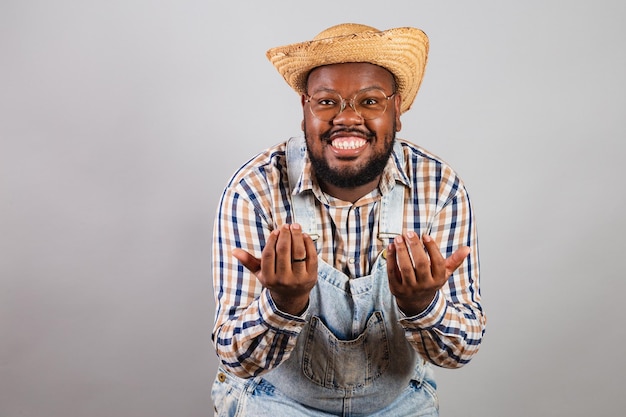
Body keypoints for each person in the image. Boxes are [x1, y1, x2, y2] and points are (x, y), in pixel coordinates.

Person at [211, 23, 486, 417]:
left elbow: (459, 352)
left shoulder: (439, 189)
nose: (347, 118)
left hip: (398, 403)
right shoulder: (254, 191)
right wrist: (283, 304)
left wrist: (423, 304)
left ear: (397, 110)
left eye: (370, 101)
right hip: (275, 400)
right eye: (327, 102)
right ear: (304, 109)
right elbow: (238, 360)